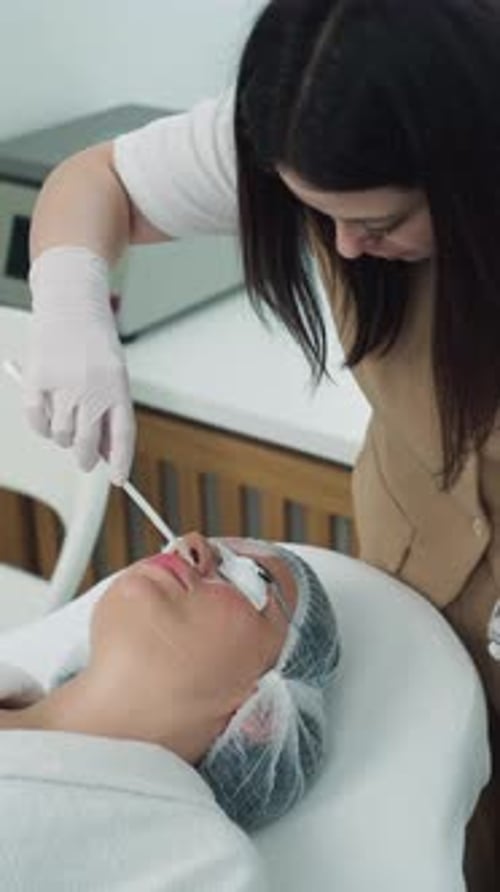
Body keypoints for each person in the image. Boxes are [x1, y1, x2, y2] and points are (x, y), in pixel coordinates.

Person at [22, 0, 500, 884]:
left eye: (384, 221)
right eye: (316, 213)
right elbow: (98, 184)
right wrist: (69, 301)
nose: (345, 251)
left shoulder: (181, 858)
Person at [0, 532, 340, 890]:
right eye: (212, 546)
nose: (190, 543)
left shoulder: (197, 863)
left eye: (252, 576)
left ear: (262, 717)